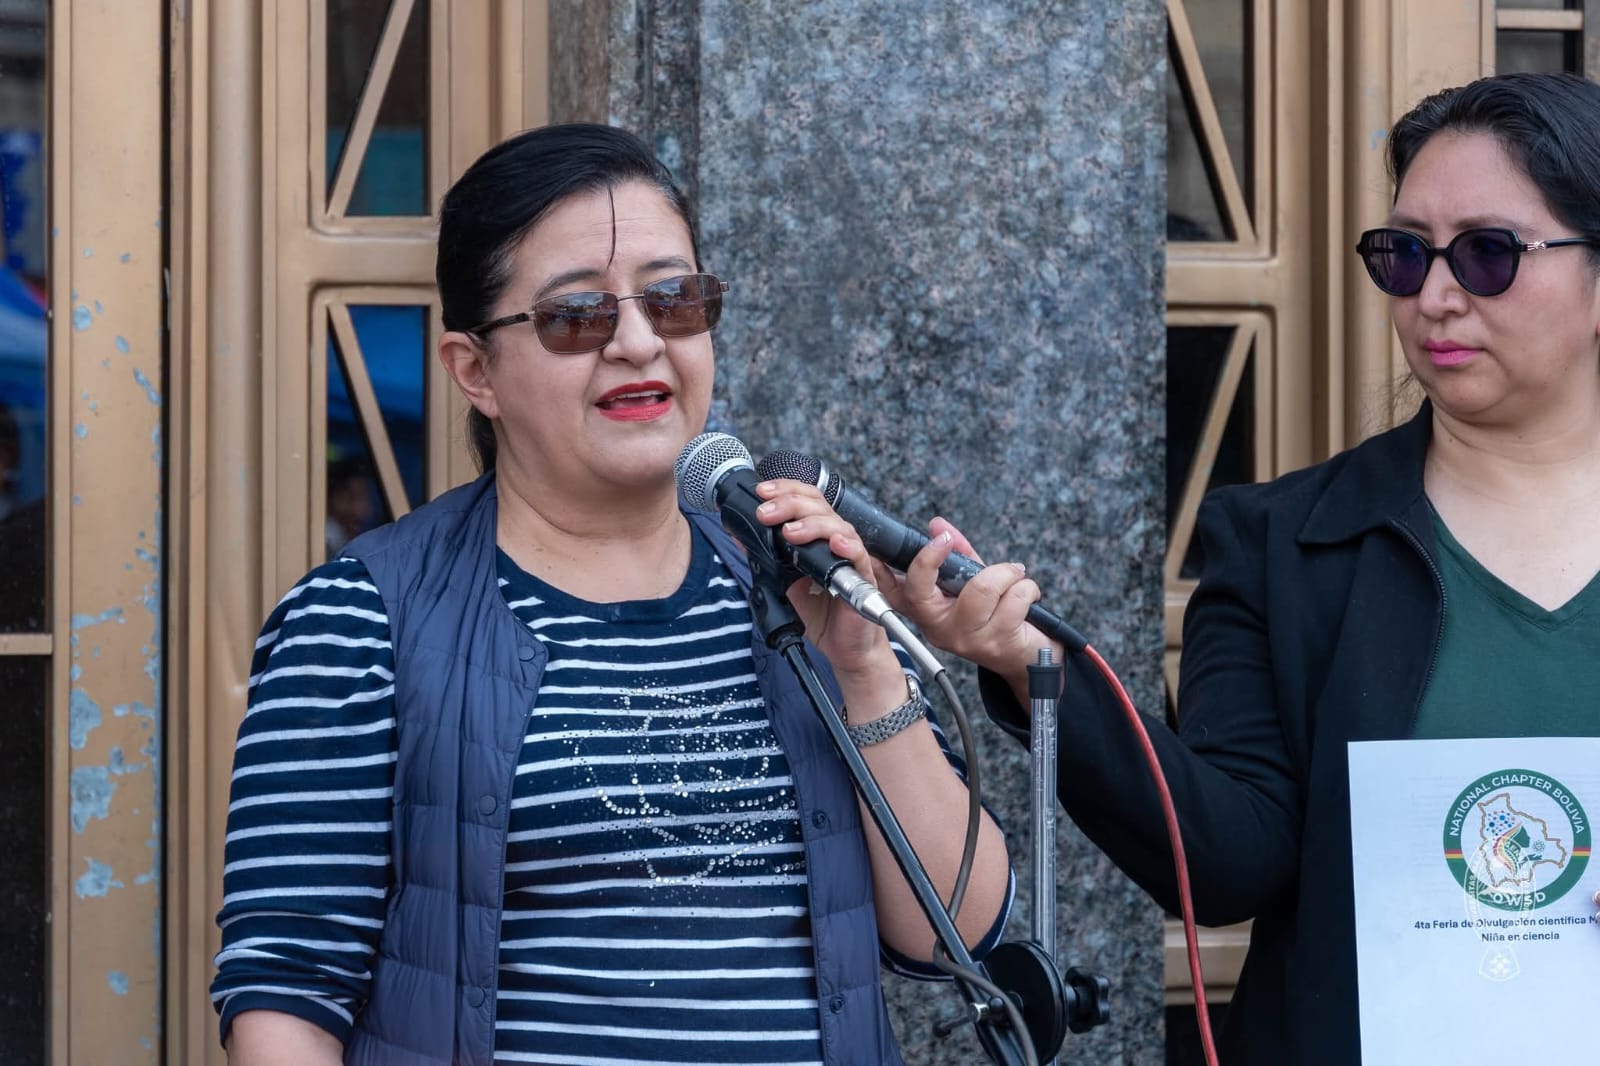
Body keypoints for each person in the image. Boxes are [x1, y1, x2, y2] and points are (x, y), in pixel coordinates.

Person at [209, 123, 1012, 1066]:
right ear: (475, 370)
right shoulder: (360, 620)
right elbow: (285, 998)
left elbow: (955, 934)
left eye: (674, 300)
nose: (638, 343)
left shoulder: (801, 590)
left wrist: (865, 667)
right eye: (577, 315)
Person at [884, 71, 1600, 1065]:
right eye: (1404, 255)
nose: (1435, 298)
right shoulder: (1280, 543)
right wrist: (1031, 666)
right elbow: (1227, 862)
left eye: (1487, 254)